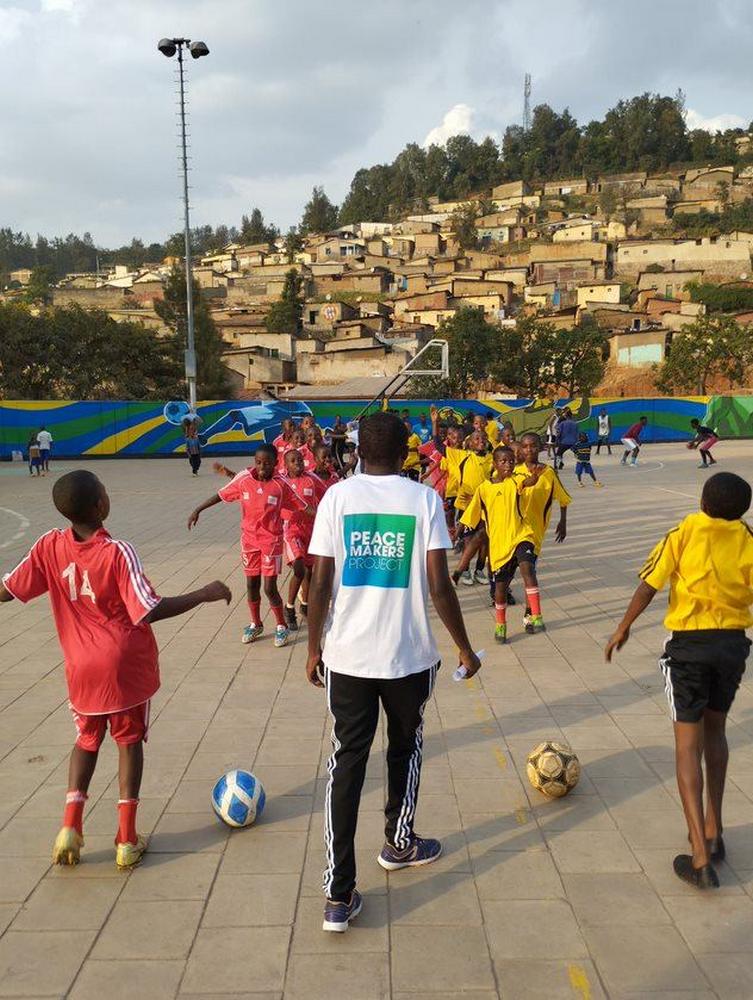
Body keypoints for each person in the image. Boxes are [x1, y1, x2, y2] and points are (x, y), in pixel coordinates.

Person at [0, 470, 231, 869]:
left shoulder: (48, 545)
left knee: (87, 739)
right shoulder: (118, 552)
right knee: (128, 742)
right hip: (123, 666)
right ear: (100, 505)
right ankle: (126, 838)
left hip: (81, 668)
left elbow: (6, 591)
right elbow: (149, 610)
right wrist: (204, 593)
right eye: (104, 490)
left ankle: (70, 827)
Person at [305, 411, 481, 932]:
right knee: (405, 748)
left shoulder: (337, 499)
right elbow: (439, 585)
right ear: (407, 453)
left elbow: (320, 582)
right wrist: (465, 649)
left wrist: (313, 647)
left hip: (347, 658)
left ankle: (338, 894)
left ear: (357, 451)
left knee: (347, 763)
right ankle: (398, 843)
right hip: (407, 657)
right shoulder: (423, 500)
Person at [606, 472, 753, 890]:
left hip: (688, 648)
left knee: (687, 746)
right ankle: (714, 830)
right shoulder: (747, 538)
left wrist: (622, 627)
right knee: (716, 732)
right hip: (732, 645)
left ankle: (701, 858)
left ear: (702, 502)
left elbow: (648, 585)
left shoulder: (684, 531)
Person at [189, 444, 312, 648]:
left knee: (269, 588)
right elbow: (221, 495)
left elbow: (303, 506)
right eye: (258, 462)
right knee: (251, 584)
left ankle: (281, 625)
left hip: (271, 541)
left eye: (267, 463)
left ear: (276, 463)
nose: (262, 466)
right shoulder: (244, 480)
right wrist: (198, 509)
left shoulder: (281, 485)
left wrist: (328, 515)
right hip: (249, 541)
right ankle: (256, 623)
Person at [460, 446, 545, 643]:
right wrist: (458, 532)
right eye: (503, 461)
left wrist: (535, 476)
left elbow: (529, 482)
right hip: (499, 545)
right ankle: (500, 624)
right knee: (500, 589)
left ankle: (536, 614)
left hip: (521, 535)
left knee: (528, 568)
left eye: (511, 461)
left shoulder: (516, 480)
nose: (508, 464)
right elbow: (470, 516)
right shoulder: (484, 488)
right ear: (495, 464)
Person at [514, 432, 570, 626]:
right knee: (509, 575)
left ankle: (530, 613)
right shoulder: (514, 471)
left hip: (533, 532)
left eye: (533, 446)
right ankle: (501, 612)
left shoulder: (549, 473)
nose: (529, 450)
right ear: (520, 449)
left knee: (528, 569)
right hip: (512, 529)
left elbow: (563, 498)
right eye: (525, 446)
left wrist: (563, 522)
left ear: (541, 448)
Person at [279, 449, 327, 631]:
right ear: (286, 464)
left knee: (309, 571)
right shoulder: (281, 481)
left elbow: (327, 494)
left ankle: (305, 605)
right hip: (291, 529)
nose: (297, 463)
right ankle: (289, 608)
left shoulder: (311, 479)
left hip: (311, 529)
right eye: (293, 461)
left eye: (300, 459)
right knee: (299, 568)